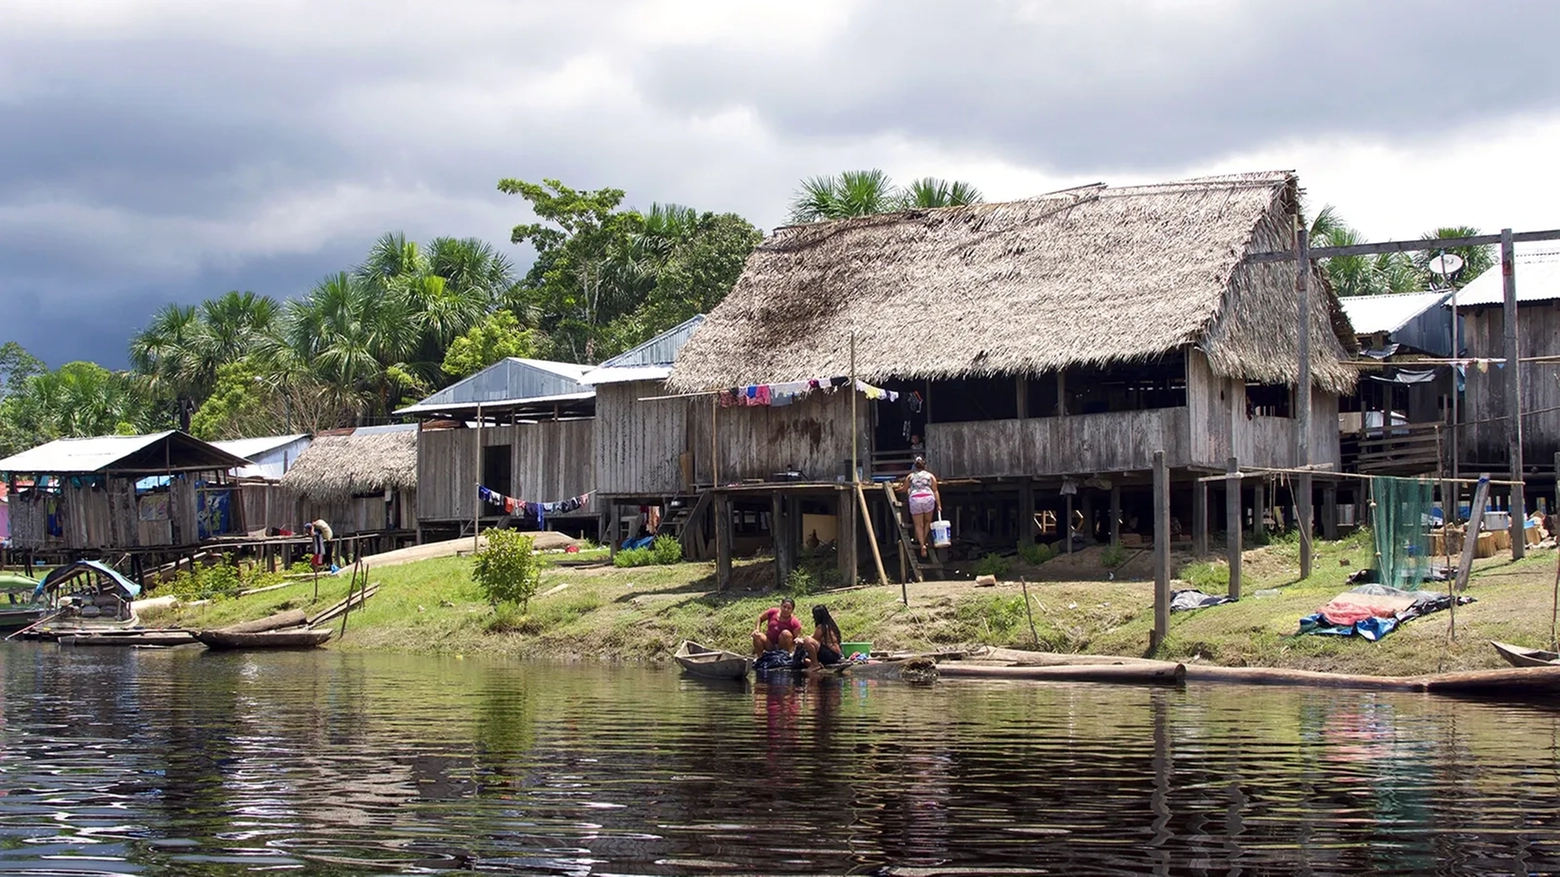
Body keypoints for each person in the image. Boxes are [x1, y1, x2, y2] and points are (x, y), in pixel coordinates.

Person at [897, 456, 942, 556]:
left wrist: (897, 489)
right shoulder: (930, 476)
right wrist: (939, 505)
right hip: (928, 498)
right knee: (927, 522)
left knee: (918, 525)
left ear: (915, 466)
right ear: (924, 466)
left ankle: (922, 545)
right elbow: (935, 490)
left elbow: (904, 489)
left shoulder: (910, 476)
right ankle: (924, 540)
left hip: (915, 499)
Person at [801, 604, 844, 670]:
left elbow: (812, 639)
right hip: (836, 655)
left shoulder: (822, 627)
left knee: (807, 640)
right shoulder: (830, 625)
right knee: (805, 660)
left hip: (831, 655)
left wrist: (802, 640)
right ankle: (819, 664)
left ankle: (815, 665)